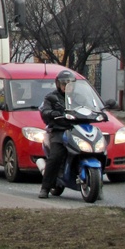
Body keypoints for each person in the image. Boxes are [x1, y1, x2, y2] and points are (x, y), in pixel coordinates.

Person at [38, 69, 77, 198]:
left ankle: (98, 185)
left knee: (97, 149)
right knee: (55, 156)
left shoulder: (79, 98)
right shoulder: (51, 97)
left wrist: (99, 111)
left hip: (76, 130)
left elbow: (91, 107)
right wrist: (51, 113)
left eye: (69, 83)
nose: (66, 86)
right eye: (63, 83)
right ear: (58, 84)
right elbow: (44, 110)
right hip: (59, 130)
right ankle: (45, 188)